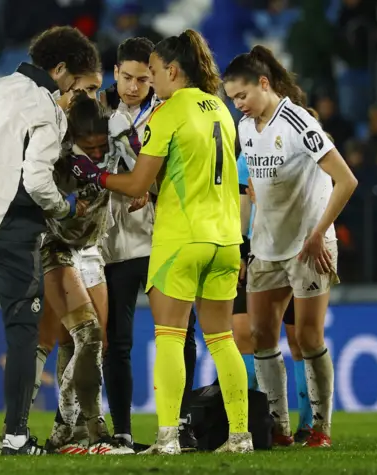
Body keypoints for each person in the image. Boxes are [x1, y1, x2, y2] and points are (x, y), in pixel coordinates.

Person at [67, 29, 253, 454]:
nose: (150, 81)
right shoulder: (222, 110)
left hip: (182, 239)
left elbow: (135, 181)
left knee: (169, 335)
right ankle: (240, 435)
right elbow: (194, 173)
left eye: (152, 73)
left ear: (172, 70)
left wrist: (92, 173)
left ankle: (167, 437)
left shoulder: (168, 112)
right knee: (221, 340)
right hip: (225, 240)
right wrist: (153, 191)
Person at [0, 26, 100, 456]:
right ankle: (15, 436)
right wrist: (64, 208)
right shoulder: (45, 107)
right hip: (12, 228)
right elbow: (36, 179)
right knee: (22, 334)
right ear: (60, 68)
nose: (73, 91)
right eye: (74, 81)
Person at [223, 45, 358, 448]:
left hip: (307, 246)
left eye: (242, 96)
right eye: (232, 99)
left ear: (264, 84)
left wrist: (320, 233)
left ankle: (319, 428)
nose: (239, 105)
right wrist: (246, 242)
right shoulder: (246, 129)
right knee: (262, 335)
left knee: (309, 338)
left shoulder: (299, 123)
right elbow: (256, 192)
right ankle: (278, 427)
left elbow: (346, 179)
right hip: (266, 247)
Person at [99, 37, 198, 451]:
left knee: (180, 333)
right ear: (115, 72)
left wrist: (151, 189)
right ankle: (121, 429)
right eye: (127, 77)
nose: (134, 86)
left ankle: (181, 423)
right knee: (117, 341)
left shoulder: (171, 112)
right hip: (117, 241)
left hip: (164, 237)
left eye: (143, 78)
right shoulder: (98, 114)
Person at [39, 92, 141, 455]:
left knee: (94, 345)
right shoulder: (59, 160)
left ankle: (69, 429)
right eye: (90, 146)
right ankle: (90, 429)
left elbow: (139, 163)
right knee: (88, 336)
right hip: (58, 249)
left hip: (92, 251)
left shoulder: (112, 146)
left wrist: (139, 187)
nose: (96, 153)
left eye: (101, 146)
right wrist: (68, 206)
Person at [235, 152, 313, 443]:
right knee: (248, 334)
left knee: (300, 339)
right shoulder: (249, 155)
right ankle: (263, 423)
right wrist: (241, 249)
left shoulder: (306, 148)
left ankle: (310, 425)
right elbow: (242, 204)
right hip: (257, 251)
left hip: (298, 248)